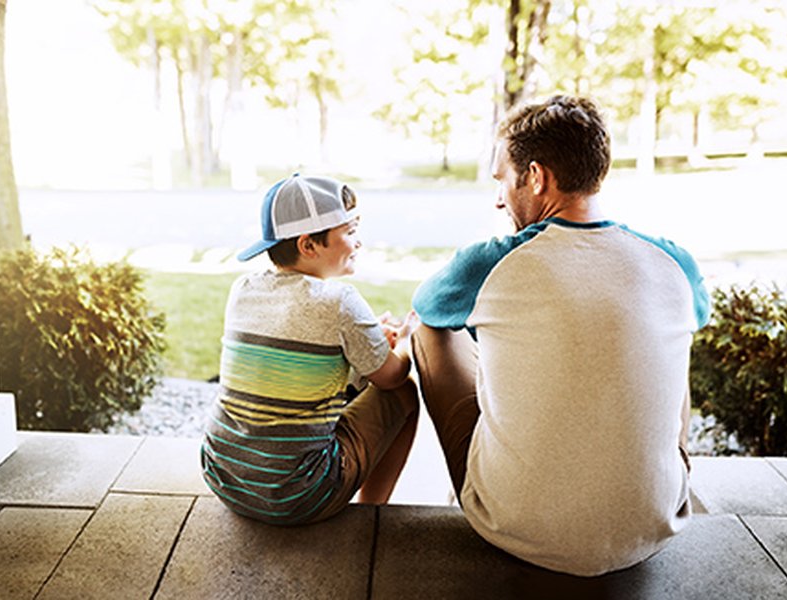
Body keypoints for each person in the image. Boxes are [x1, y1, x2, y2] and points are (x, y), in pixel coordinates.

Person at [410, 95, 711, 576]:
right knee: (674, 333)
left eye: (503, 180)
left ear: (535, 176)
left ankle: (481, 487)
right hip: (654, 525)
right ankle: (635, 485)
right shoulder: (676, 262)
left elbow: (428, 307)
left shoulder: (490, 262)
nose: (498, 198)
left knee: (427, 332)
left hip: (517, 527)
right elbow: (693, 318)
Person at [202, 174, 419, 525]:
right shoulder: (340, 301)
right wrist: (407, 342)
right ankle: (371, 515)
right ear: (308, 246)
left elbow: (305, 356)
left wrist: (368, 340)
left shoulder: (242, 289)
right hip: (298, 495)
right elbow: (391, 377)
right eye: (350, 232)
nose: (358, 242)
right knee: (405, 395)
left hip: (225, 478)